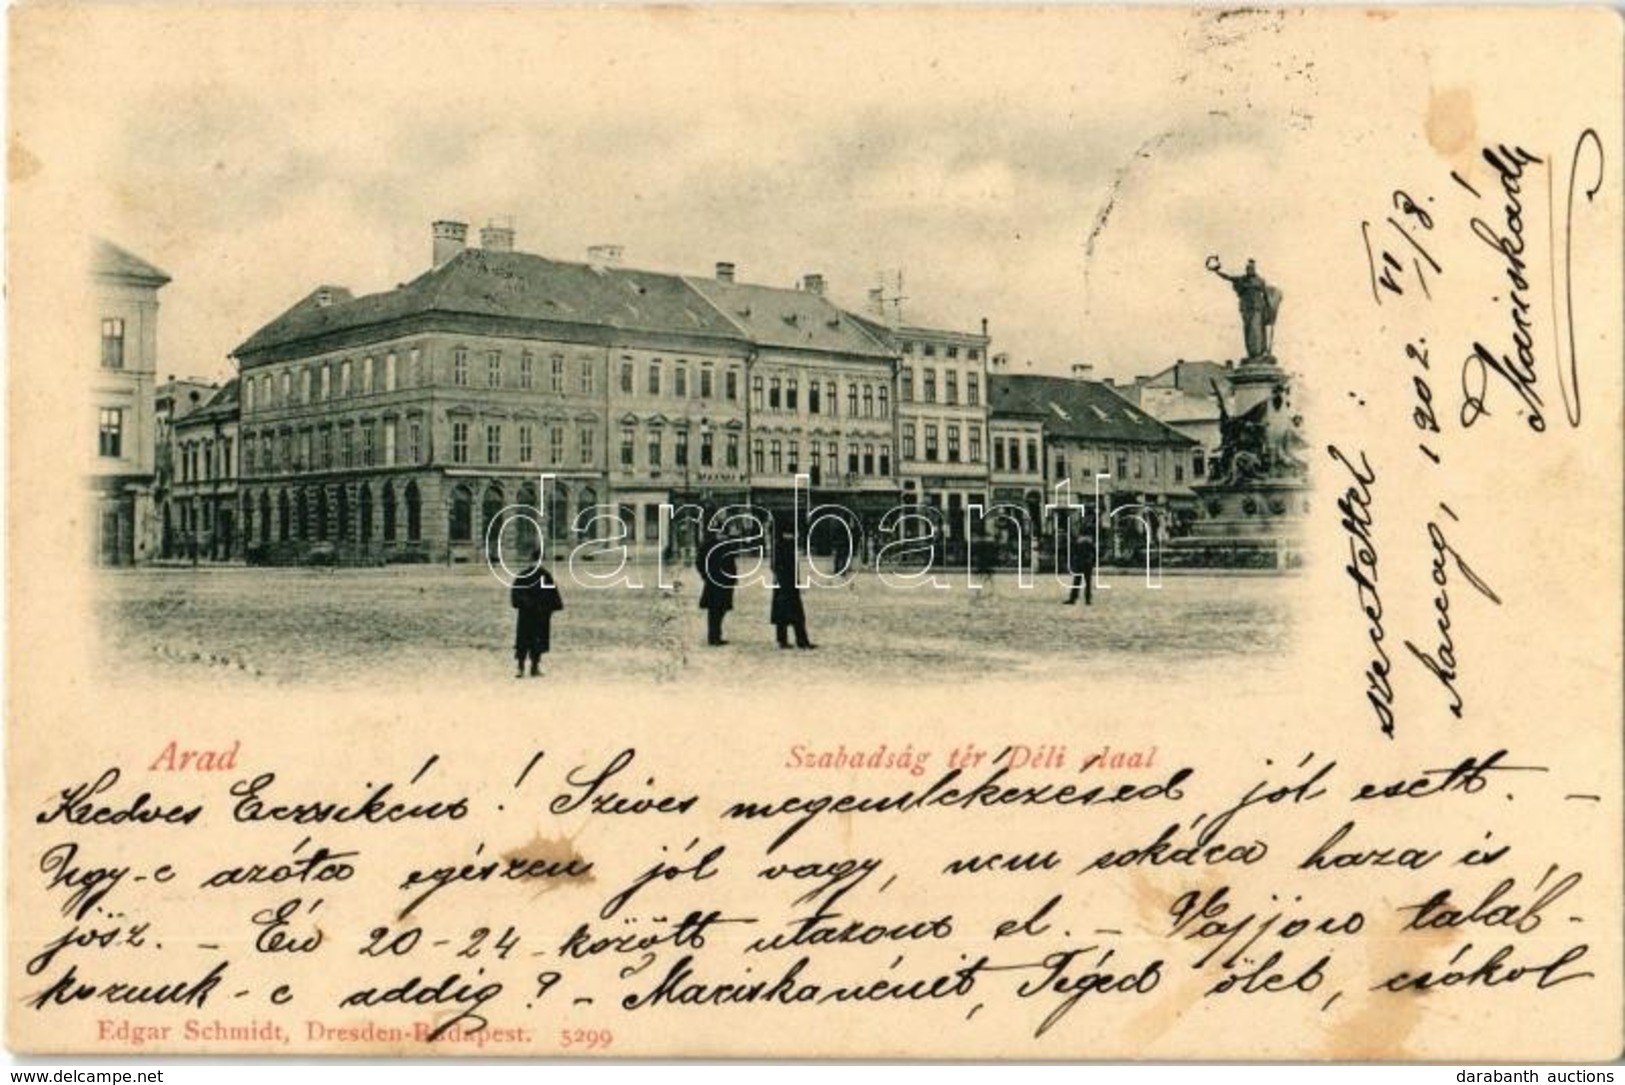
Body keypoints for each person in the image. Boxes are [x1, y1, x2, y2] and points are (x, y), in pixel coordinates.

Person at [510, 552, 563, 677]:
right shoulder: (539, 575)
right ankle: (523, 668)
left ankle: (531, 667)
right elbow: (517, 594)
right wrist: (548, 607)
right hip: (533, 614)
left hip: (533, 614)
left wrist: (548, 607)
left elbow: (551, 593)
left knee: (532, 641)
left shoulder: (532, 575)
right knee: (527, 641)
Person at [770, 530, 816, 650]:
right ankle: (800, 640)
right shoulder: (784, 547)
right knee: (796, 614)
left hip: (785, 585)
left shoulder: (781, 546)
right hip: (786, 585)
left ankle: (784, 639)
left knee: (784, 613)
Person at [697, 529, 736, 647]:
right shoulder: (709, 546)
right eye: (722, 534)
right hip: (714, 582)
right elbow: (700, 562)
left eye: (725, 535)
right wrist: (705, 575)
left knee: (721, 609)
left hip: (725, 582)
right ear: (717, 534)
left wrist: (733, 578)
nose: (724, 537)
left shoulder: (727, 546)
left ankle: (716, 635)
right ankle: (713, 637)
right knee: (714, 610)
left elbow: (731, 563)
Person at [1065, 524, 1097, 606]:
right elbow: (1094, 553)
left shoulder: (1078, 542)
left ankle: (1073, 598)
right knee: (1088, 582)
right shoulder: (1090, 542)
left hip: (1079, 562)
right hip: (1088, 563)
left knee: (1076, 581)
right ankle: (1088, 599)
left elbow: (1074, 552)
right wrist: (1093, 562)